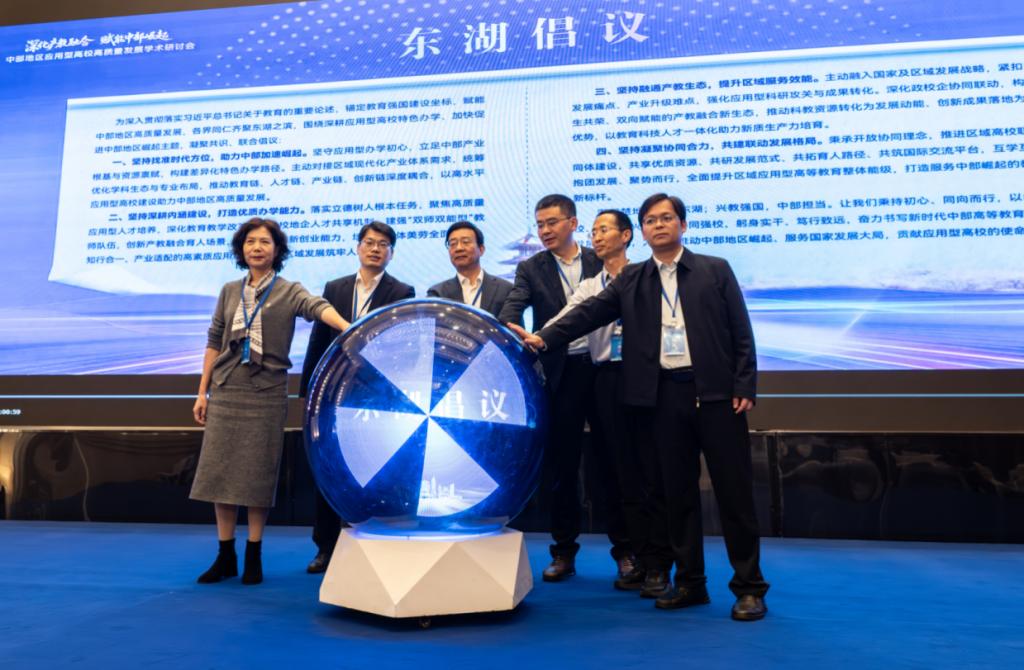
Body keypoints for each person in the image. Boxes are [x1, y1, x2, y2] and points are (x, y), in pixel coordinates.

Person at [510, 193, 770, 621]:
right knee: (675, 495)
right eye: (651, 220)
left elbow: (740, 330)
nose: (658, 225)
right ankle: (690, 583)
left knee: (734, 495)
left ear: (682, 225)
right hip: (664, 397)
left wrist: (745, 383)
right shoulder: (634, 278)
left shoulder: (714, 269)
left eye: (666, 218)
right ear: (642, 232)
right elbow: (589, 313)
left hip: (717, 397)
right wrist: (544, 338)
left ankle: (749, 588)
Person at [190, 217, 350, 586]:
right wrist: (202, 391)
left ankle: (254, 554)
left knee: (256, 477)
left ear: (277, 250)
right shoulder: (230, 290)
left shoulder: (288, 290)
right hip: (226, 389)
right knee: (220, 475)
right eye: (250, 241)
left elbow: (316, 307)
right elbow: (214, 340)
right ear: (241, 249)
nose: (256, 247)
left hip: (266, 393)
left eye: (264, 241)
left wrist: (346, 326)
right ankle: (225, 555)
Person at [497, 194, 633, 582]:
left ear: (573, 223)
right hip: (561, 372)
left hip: (605, 369)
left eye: (552, 222)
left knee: (613, 462)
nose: (544, 231)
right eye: (539, 224)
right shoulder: (531, 267)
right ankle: (563, 552)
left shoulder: (600, 257)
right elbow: (514, 306)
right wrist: (511, 329)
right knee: (562, 466)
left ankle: (626, 552)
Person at [542, 210, 650, 592]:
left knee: (639, 469)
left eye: (604, 230)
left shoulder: (646, 277)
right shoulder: (590, 286)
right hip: (605, 378)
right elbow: (569, 319)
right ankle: (628, 554)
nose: (597, 237)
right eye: (594, 231)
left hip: (644, 378)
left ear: (626, 235)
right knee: (609, 467)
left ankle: (647, 556)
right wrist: (538, 338)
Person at [299, 220, 415, 574]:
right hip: (332, 394)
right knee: (329, 470)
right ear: (358, 247)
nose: (375, 249)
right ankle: (325, 547)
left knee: (374, 468)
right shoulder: (335, 288)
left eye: (383, 244)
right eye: (369, 242)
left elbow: (402, 347)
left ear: (391, 253)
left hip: (376, 397)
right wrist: (308, 389)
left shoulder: (402, 291)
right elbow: (319, 340)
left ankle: (371, 542)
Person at [427, 220, 514, 319]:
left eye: (465, 242)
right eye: (453, 244)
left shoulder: (505, 289)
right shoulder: (437, 294)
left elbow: (514, 328)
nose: (459, 248)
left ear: (481, 249)